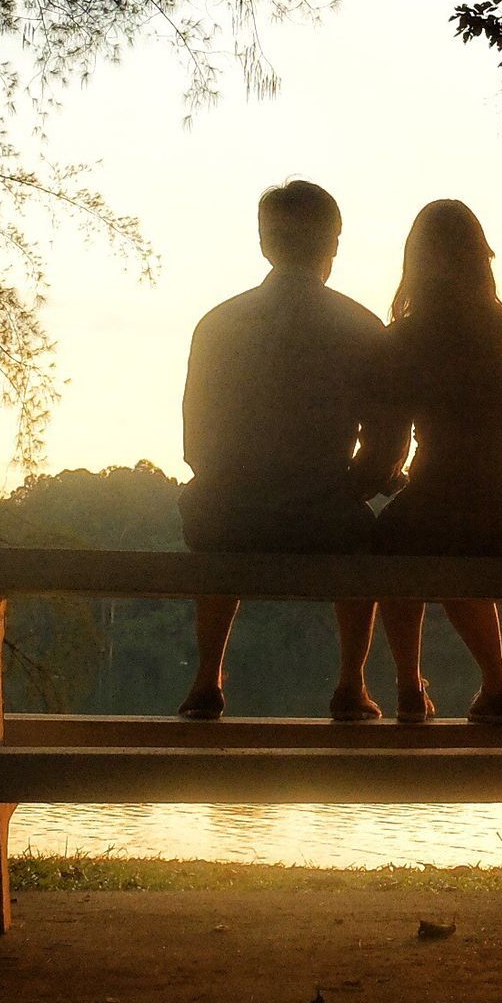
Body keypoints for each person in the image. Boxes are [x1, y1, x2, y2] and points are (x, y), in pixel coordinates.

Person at [176, 180, 405, 720]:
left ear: (263, 242)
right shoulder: (362, 326)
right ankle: (351, 685)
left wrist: (230, 476)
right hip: (323, 513)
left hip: (230, 516)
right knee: (363, 537)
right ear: (334, 243)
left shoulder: (218, 323)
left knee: (210, 514)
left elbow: (195, 436)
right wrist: (351, 484)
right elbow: (388, 442)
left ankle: (207, 682)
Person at [375, 199, 502, 725]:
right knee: (447, 535)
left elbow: (389, 448)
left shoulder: (408, 338)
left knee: (392, 542)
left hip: (442, 505)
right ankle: (496, 684)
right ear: (483, 258)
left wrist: (376, 480)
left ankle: (409, 686)